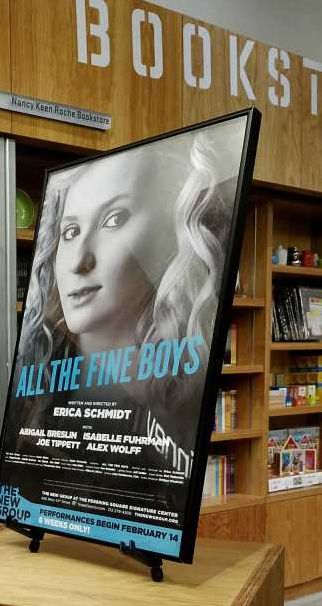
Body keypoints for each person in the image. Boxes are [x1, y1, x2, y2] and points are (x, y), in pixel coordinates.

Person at [14, 122, 243, 480]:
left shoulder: (181, 394)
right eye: (70, 231)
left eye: (114, 219)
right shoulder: (38, 381)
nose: (79, 261)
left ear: (171, 234)